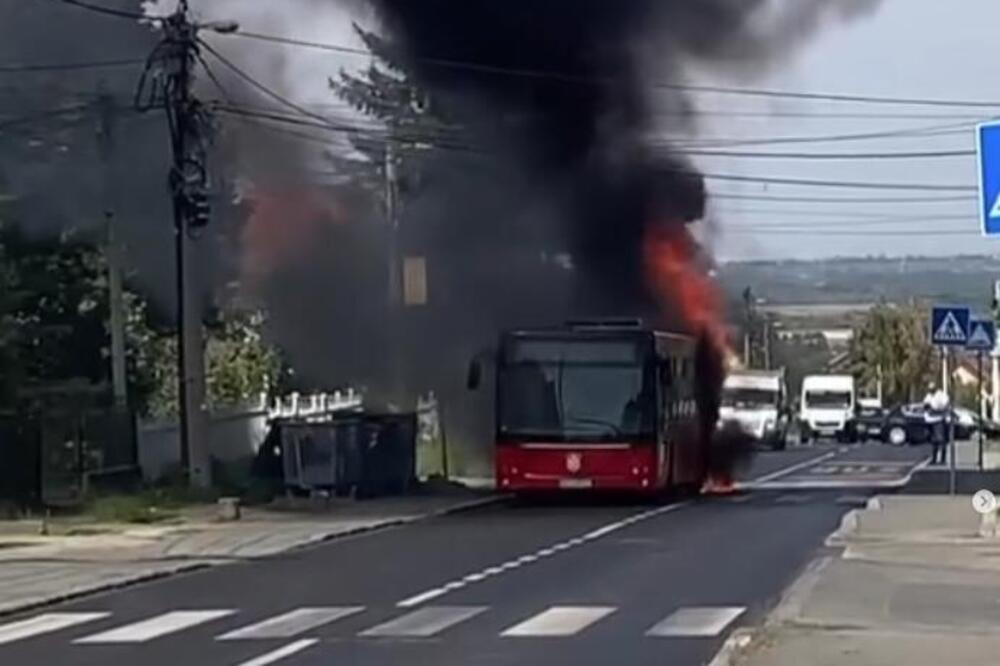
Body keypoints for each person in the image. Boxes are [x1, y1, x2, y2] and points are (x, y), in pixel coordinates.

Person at [923, 382, 950, 465]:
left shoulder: (941, 395)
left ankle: (943, 459)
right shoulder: (928, 396)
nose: (931, 391)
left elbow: (945, 405)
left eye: (932, 389)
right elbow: (926, 405)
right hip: (930, 420)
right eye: (930, 389)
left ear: (935, 388)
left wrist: (937, 409)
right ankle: (934, 459)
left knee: (941, 440)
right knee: (933, 441)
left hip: (939, 420)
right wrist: (928, 407)